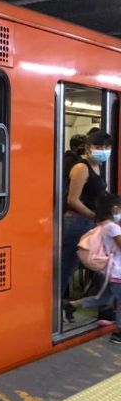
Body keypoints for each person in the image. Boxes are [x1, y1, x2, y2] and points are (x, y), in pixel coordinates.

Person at [61, 131, 112, 322]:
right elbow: (72, 200)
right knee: (67, 268)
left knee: (103, 266)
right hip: (76, 222)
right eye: (99, 147)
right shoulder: (81, 168)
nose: (104, 151)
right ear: (88, 147)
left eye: (107, 148)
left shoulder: (98, 166)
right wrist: (95, 216)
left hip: (90, 223)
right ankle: (58, 308)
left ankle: (99, 309)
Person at [69, 193, 121, 344]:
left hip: (111, 273)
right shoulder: (113, 228)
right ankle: (118, 333)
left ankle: (72, 305)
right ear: (115, 209)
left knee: (103, 298)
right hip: (117, 272)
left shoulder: (104, 225)